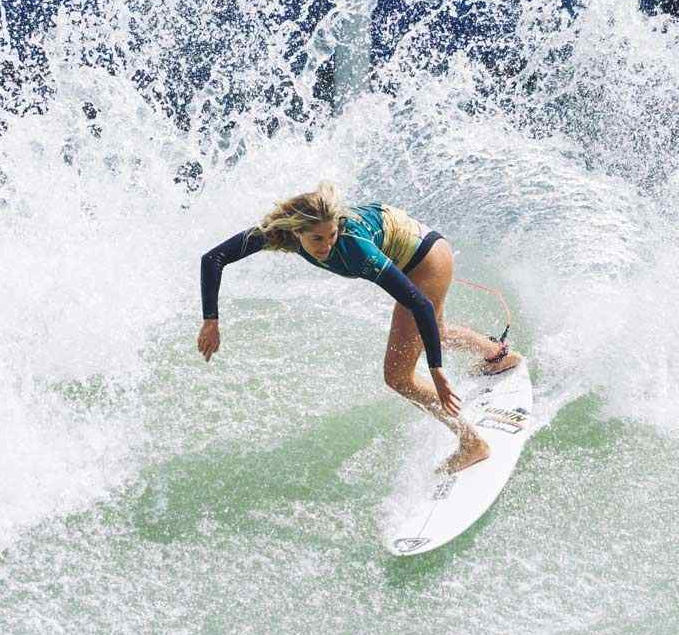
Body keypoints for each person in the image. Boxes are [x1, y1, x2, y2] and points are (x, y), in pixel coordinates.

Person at [197, 182, 520, 473]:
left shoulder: (354, 251)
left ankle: (471, 443)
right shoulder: (278, 232)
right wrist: (211, 320)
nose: (326, 245)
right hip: (423, 244)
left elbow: (418, 303)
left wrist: (436, 371)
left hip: (426, 260)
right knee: (433, 331)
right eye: (317, 239)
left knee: (398, 375)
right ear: (296, 232)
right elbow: (213, 258)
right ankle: (497, 356)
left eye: (331, 234)